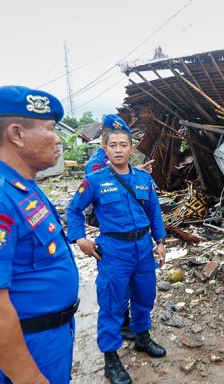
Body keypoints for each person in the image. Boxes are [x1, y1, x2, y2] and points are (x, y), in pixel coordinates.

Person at [0, 85, 79, 383]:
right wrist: (30, 378)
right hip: (16, 359)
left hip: (46, 340)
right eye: (51, 129)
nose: (59, 138)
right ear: (17, 134)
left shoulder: (21, 185)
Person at [66, 128, 166, 384]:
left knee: (145, 296)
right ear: (106, 149)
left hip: (143, 249)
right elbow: (74, 210)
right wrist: (80, 239)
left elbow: (154, 212)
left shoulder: (143, 179)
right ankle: (111, 357)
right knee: (111, 305)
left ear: (131, 150)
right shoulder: (95, 180)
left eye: (124, 145)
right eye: (114, 145)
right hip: (113, 252)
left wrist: (161, 241)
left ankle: (142, 338)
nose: (119, 149)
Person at [84, 114, 138, 341]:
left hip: (126, 229)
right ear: (105, 137)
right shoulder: (96, 163)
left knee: (128, 279)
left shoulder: (117, 161)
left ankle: (125, 321)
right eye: (112, 139)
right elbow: (100, 186)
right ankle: (118, 326)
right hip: (109, 229)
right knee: (113, 282)